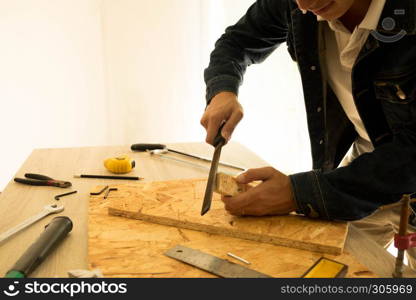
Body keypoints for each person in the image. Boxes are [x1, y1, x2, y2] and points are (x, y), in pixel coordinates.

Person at [200, 0, 416, 268]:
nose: (305, 3)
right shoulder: (298, 4)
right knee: (318, 268)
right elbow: (237, 42)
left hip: (403, 166)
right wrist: (223, 91)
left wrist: (297, 193)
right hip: (367, 165)